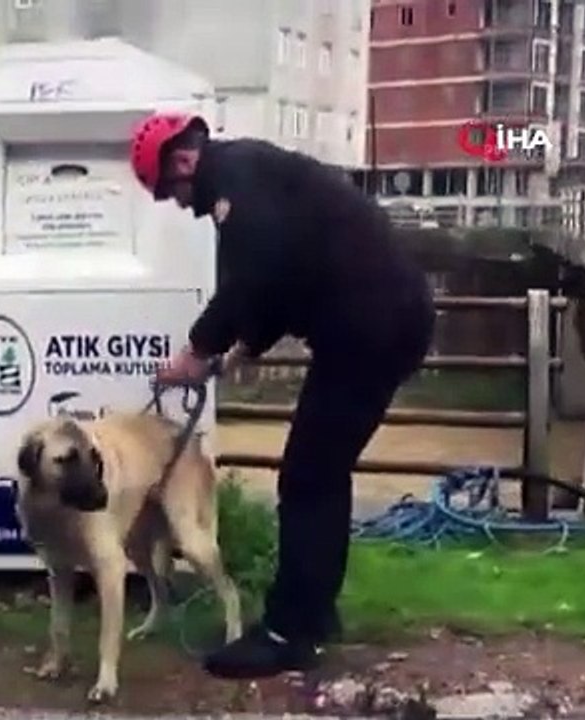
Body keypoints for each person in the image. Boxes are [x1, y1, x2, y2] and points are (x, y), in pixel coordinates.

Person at [129, 113, 434, 679]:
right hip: (383, 320)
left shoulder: (235, 184)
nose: (176, 203)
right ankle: (313, 613)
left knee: (306, 476)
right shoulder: (249, 174)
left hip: (369, 328)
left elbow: (254, 275)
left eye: (170, 192)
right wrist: (244, 346)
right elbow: (287, 272)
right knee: (321, 471)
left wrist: (196, 350)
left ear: (182, 162)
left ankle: (287, 632)